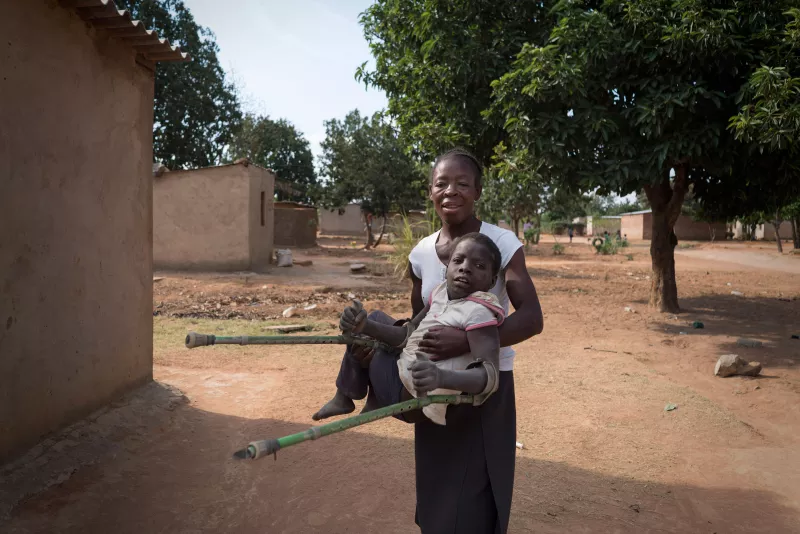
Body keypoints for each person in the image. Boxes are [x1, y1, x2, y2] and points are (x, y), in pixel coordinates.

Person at [314, 148, 544, 534]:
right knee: (438, 486)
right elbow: (414, 329)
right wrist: (369, 338)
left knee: (476, 490)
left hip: (479, 384)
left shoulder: (501, 243)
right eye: (441, 183)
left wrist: (464, 342)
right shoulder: (421, 252)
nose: (450, 191)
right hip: (428, 378)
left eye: (462, 183)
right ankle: (364, 387)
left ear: (478, 192)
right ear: (430, 192)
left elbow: (532, 318)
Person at [331, 233, 505, 427]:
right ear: (447, 267)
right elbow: (408, 334)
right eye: (458, 261)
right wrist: (364, 326)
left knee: (374, 333)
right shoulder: (441, 292)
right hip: (401, 375)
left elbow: (490, 377)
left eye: (479, 266)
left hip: (410, 398)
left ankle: (348, 395)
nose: (465, 268)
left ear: (492, 281)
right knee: (374, 319)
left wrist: (441, 377)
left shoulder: (480, 312)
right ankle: (357, 396)